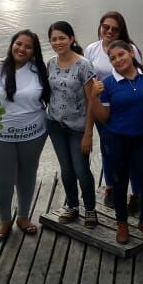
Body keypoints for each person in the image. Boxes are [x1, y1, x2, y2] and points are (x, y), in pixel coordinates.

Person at [89, 40, 143, 246]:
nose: (118, 60)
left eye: (121, 54)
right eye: (112, 58)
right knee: (119, 183)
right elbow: (103, 117)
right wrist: (94, 98)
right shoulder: (107, 84)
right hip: (116, 140)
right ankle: (121, 223)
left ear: (131, 53)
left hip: (142, 139)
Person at [0, 30, 50, 242]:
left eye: (28, 47)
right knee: (1, 181)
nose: (22, 49)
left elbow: (51, 99)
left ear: (34, 51)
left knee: (27, 176)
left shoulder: (39, 70)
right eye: (18, 44)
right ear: (12, 44)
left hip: (34, 134)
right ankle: (4, 220)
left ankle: (23, 216)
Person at [85, 11, 143, 214]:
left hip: (127, 108)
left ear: (121, 31)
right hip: (102, 107)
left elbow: (140, 76)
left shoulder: (130, 49)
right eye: (105, 27)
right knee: (108, 149)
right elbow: (88, 80)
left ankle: (136, 193)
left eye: (114, 29)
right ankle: (110, 187)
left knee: (132, 152)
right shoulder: (92, 49)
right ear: (100, 27)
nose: (109, 31)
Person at [47, 21, 98, 228]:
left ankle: (90, 209)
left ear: (71, 39)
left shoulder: (84, 65)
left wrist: (88, 133)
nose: (58, 42)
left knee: (81, 169)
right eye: (54, 39)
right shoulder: (50, 63)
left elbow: (91, 100)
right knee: (66, 169)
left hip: (78, 128)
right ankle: (73, 206)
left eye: (62, 38)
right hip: (55, 125)